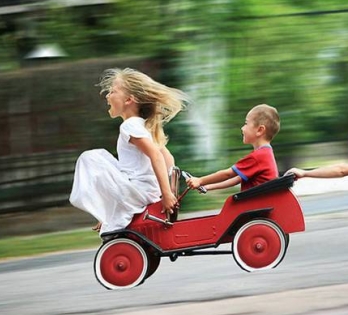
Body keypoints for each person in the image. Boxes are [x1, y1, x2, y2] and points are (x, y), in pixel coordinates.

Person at [69, 68, 189, 234]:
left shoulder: (129, 126)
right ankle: (110, 213)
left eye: (112, 91)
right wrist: (164, 191)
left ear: (128, 100)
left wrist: (167, 194)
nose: (107, 96)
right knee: (103, 160)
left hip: (138, 191)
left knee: (89, 158)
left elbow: (156, 156)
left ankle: (107, 212)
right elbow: (168, 159)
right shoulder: (145, 126)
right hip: (146, 191)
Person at [186, 104, 280, 192]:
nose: (242, 128)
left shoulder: (258, 157)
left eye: (246, 123)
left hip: (256, 203)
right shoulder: (265, 153)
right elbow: (237, 179)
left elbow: (227, 174)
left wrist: (200, 180)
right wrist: (207, 187)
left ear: (260, 130)